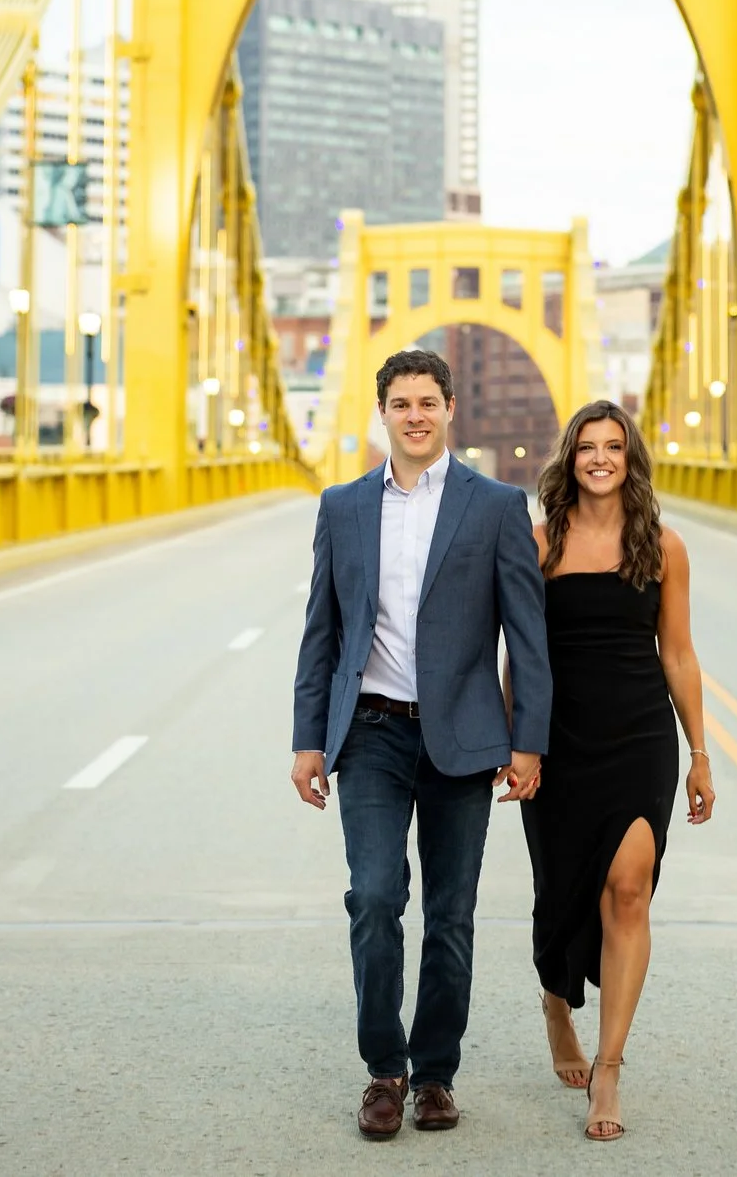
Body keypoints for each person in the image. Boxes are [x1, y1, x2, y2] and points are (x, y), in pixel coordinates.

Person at [290, 347, 551, 1140]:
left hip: (465, 738)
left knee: (451, 913)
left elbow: (526, 636)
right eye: (400, 403)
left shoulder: (497, 504)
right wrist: (308, 740)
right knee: (373, 897)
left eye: (428, 401)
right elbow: (321, 633)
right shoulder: (341, 506)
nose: (415, 415)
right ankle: (384, 1069)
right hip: (369, 729)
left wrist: (528, 741)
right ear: (383, 413)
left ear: (448, 410)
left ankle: (435, 1071)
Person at [521, 399, 715, 1142]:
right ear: (569, 459)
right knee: (561, 890)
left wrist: (699, 754)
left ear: (631, 459)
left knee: (629, 886)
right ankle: (554, 1002)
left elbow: (679, 654)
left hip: (638, 735)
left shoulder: (663, 546)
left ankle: (609, 1066)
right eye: (586, 448)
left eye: (614, 446)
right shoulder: (539, 543)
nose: (600, 458)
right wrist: (519, 745)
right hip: (559, 738)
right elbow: (523, 657)